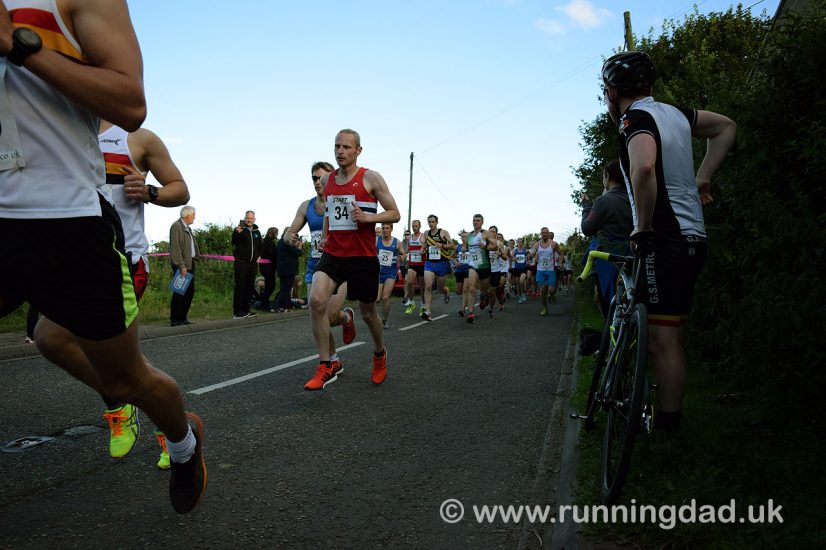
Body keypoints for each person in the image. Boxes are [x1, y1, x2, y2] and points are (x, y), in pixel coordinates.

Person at [0, 0, 205, 513]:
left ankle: (177, 434)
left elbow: (174, 181)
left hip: (78, 231)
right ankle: (124, 406)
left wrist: (151, 194)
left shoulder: (135, 137)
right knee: (50, 340)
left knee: (112, 367)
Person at [602, 50, 736, 430]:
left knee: (663, 341)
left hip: (664, 239)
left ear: (612, 92)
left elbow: (643, 167)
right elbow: (726, 126)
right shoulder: (676, 114)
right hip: (695, 236)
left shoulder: (634, 120)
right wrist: (703, 176)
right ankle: (666, 422)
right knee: (670, 334)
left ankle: (668, 435)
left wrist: (642, 227)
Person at [303, 129, 400, 390]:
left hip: (363, 256)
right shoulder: (329, 180)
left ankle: (379, 353)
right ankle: (326, 363)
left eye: (346, 147)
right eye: (337, 147)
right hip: (334, 253)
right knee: (316, 300)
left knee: (368, 314)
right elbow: (329, 214)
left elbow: (395, 213)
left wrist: (369, 218)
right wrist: (324, 237)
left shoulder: (370, 178)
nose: (340, 152)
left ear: (358, 150)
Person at [286, 161, 349, 379]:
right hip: (316, 266)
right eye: (314, 178)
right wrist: (289, 236)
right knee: (318, 313)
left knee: (331, 315)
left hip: (340, 265)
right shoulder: (306, 206)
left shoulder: (343, 202)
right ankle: (332, 361)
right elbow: (290, 230)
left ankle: (346, 319)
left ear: (332, 177)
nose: (317, 182)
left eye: (322, 177)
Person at [581, 159, 633, 317]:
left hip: (609, 259)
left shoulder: (603, 201)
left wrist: (586, 206)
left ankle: (611, 335)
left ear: (607, 176)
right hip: (632, 256)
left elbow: (587, 229)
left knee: (608, 302)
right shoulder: (634, 200)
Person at [461, 214, 497, 324]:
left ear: (482, 222)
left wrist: (485, 247)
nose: (475, 222)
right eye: (474, 220)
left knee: (484, 290)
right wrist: (463, 248)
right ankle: (471, 313)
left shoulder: (486, 234)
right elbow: (465, 247)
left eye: (478, 220)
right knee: (471, 288)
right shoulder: (469, 235)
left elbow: (495, 246)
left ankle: (483, 296)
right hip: (473, 265)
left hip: (485, 266)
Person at [170, 206, 199, 327]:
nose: (195, 217)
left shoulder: (188, 228)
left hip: (189, 262)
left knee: (189, 291)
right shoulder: (177, 226)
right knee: (180, 292)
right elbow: (175, 247)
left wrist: (196, 256)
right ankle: (175, 319)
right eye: (193, 215)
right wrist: (181, 266)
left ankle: (183, 317)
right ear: (187, 215)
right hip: (182, 264)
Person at [421, 215, 454, 321]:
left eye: (433, 222)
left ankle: (445, 291)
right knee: (428, 286)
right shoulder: (426, 233)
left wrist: (442, 246)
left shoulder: (443, 232)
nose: (431, 224)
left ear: (437, 222)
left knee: (440, 289)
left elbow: (452, 245)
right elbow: (425, 245)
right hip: (429, 263)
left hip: (442, 263)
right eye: (429, 222)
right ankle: (428, 311)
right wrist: (423, 249)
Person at [232, 210, 262, 319]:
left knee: (249, 287)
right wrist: (237, 233)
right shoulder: (240, 230)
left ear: (254, 219)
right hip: (241, 262)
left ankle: (246, 310)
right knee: (240, 286)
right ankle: (237, 311)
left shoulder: (257, 231)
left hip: (253, 264)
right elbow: (234, 241)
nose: (249, 220)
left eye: (251, 218)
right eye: (247, 218)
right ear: (245, 218)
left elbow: (260, 246)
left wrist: (260, 256)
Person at [376, 222, 405, 328]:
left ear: (391, 229)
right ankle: (375, 318)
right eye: (383, 228)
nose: (384, 230)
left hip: (391, 273)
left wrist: (402, 257)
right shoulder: (377, 240)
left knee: (385, 297)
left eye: (387, 228)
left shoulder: (397, 242)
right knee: (377, 299)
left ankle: (384, 320)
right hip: (379, 272)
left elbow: (403, 253)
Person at [275, 225, 303, 312]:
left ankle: (286, 307)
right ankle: (281, 306)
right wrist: (299, 247)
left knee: (285, 288)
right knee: (286, 289)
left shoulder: (280, 242)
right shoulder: (287, 242)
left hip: (282, 268)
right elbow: (297, 253)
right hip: (289, 269)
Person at [531, 227, 558, 315]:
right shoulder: (537, 244)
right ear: (540, 234)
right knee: (542, 289)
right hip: (540, 270)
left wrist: (560, 262)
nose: (544, 234)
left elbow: (561, 254)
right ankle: (545, 308)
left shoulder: (554, 244)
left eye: (546, 233)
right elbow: (533, 253)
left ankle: (552, 295)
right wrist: (531, 255)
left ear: (548, 233)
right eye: (542, 233)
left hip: (551, 270)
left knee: (551, 290)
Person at [403, 219, 425, 315]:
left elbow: (426, 248)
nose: (414, 228)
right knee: (409, 282)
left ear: (419, 226)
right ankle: (411, 302)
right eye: (413, 226)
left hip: (422, 264)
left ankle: (423, 305)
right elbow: (408, 249)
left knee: (422, 287)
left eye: (416, 226)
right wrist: (405, 256)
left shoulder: (423, 237)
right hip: (412, 264)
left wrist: (423, 251)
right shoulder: (409, 238)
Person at [260, 227, 278, 310]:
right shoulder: (269, 242)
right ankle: (264, 304)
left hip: (265, 267)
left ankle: (264, 303)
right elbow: (272, 255)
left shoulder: (265, 241)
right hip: (268, 268)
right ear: (273, 233)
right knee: (270, 286)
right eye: (276, 233)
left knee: (269, 286)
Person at [451, 240, 470, 315]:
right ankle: (467, 298)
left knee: (465, 289)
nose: (464, 238)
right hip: (459, 270)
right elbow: (451, 257)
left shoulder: (471, 247)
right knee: (459, 291)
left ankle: (462, 309)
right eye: (462, 237)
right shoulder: (457, 247)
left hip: (468, 269)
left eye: (465, 237)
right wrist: (455, 262)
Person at [511, 238, 529, 303]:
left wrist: (528, 260)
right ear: (517, 243)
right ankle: (520, 296)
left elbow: (529, 257)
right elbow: (511, 258)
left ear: (523, 243)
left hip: (524, 268)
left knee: (521, 281)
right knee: (518, 284)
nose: (519, 243)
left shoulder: (526, 250)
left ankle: (523, 293)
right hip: (517, 268)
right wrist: (514, 258)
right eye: (518, 242)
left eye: (521, 242)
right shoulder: (515, 251)